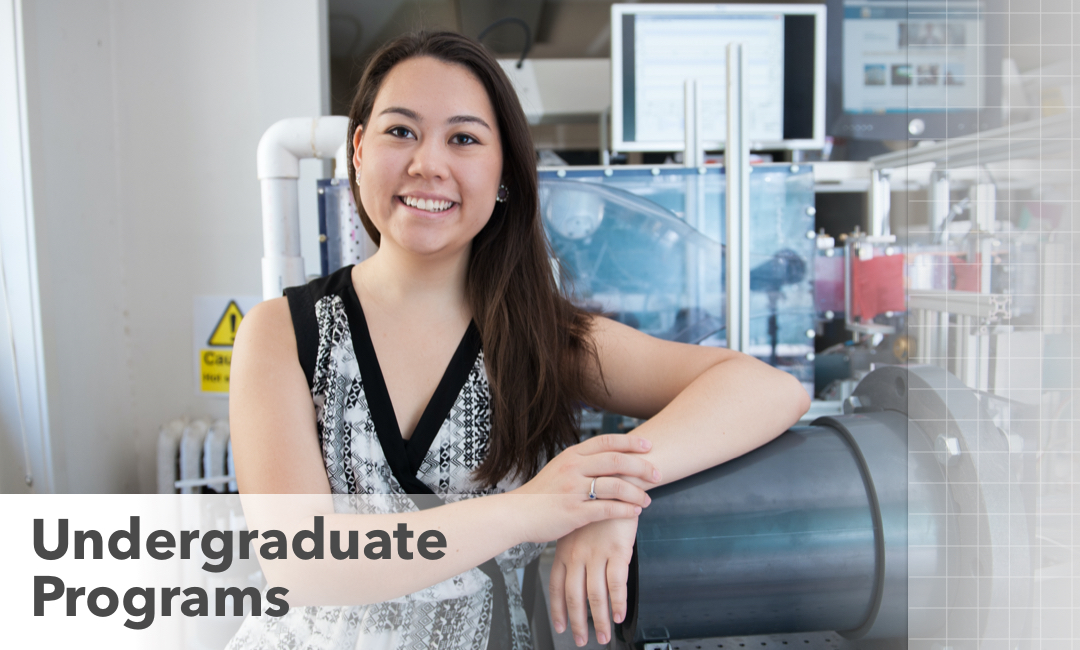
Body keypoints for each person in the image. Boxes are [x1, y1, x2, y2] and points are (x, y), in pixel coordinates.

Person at [226, 30, 810, 650]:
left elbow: (768, 390)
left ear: (503, 173)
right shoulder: (284, 334)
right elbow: (303, 564)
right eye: (401, 131)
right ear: (359, 150)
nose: (428, 163)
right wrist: (536, 508)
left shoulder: (540, 338)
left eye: (464, 138)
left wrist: (611, 494)